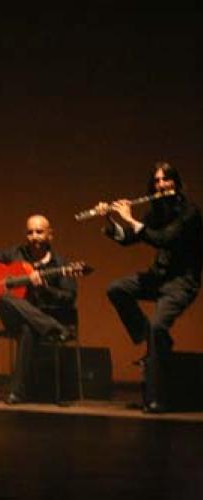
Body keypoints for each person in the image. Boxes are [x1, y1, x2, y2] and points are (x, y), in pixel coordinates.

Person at [97, 162, 202, 413]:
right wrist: (110, 218)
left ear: (176, 183)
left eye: (166, 180)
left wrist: (130, 218)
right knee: (116, 289)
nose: (161, 185)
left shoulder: (190, 213)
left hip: (181, 283)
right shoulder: (156, 212)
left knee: (158, 326)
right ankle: (149, 339)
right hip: (158, 278)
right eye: (156, 181)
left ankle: (156, 399)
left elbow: (163, 239)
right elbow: (128, 239)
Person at [0, 215, 78, 405]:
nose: (34, 237)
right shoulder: (15, 254)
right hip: (16, 317)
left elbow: (69, 298)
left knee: (28, 329)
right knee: (4, 298)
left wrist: (44, 288)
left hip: (44, 315)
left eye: (39, 232)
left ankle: (18, 392)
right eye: (30, 232)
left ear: (50, 235)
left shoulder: (61, 265)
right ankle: (55, 329)